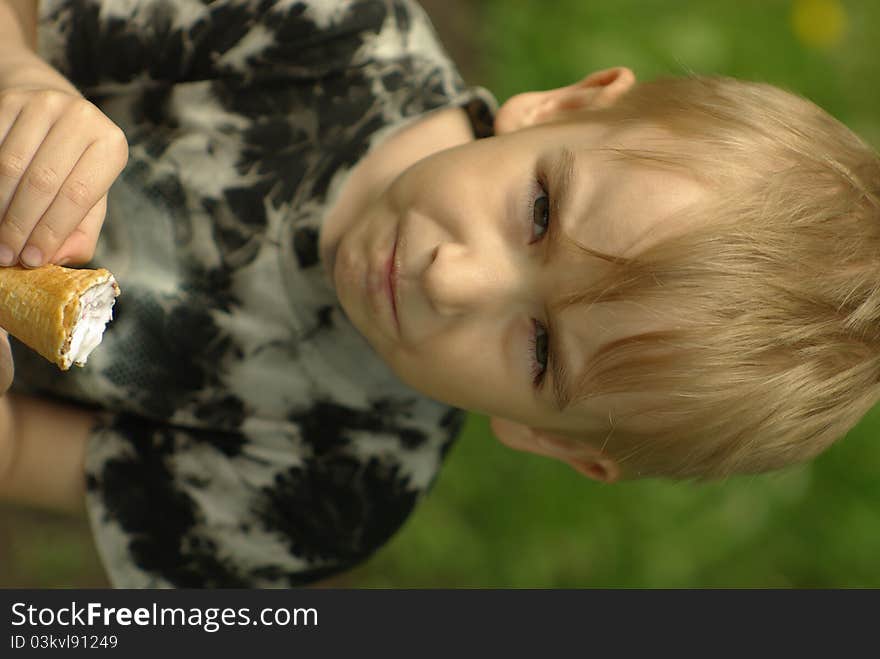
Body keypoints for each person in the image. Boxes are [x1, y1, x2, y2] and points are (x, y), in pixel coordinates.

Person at [1, 0, 878, 587]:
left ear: (546, 436)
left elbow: (19, 457)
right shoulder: (326, 33)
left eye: (539, 350)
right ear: (565, 109)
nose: (452, 278)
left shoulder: (331, 494)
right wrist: (19, 77)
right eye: (539, 212)